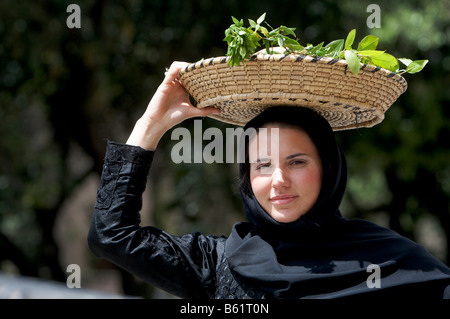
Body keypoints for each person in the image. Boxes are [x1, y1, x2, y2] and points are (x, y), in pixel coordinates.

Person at [88, 62, 450, 299]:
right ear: (246, 176)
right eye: (261, 165)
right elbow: (112, 236)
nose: (278, 180)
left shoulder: (391, 262)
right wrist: (151, 124)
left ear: (329, 168)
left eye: (296, 161)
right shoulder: (220, 265)